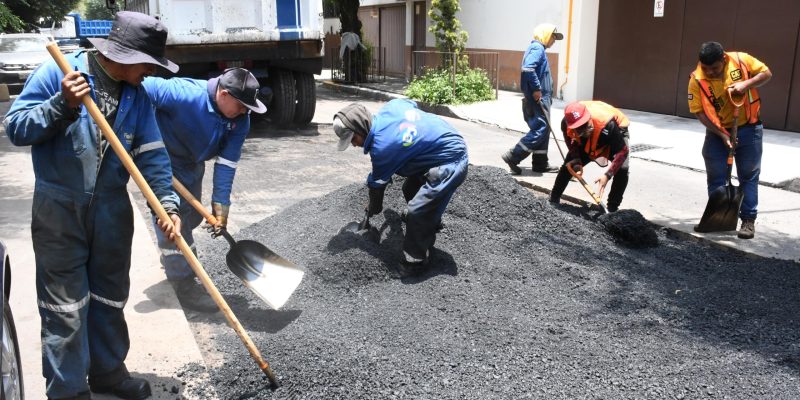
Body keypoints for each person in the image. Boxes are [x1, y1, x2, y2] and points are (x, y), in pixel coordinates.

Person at [3, 11, 181, 400]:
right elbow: (16, 128)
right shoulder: (59, 73)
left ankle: (108, 373)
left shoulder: (138, 96)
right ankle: (67, 390)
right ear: (127, 56)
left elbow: (152, 155)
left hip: (111, 212)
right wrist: (61, 104)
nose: (150, 72)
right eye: (148, 64)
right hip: (59, 209)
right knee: (64, 306)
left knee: (109, 297)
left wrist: (167, 206)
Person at [142, 68, 267, 312]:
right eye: (241, 105)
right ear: (223, 93)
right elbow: (141, 86)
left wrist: (220, 209)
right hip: (161, 162)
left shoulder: (241, 120)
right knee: (174, 222)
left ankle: (177, 258)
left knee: (193, 217)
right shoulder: (183, 93)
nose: (244, 112)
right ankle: (184, 282)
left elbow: (227, 165)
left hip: (191, 164)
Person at [333, 99, 469, 274]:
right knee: (409, 189)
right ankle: (430, 223)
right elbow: (411, 104)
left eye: (353, 139)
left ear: (360, 128)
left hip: (451, 159)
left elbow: (377, 187)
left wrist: (373, 209)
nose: (353, 144)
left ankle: (417, 260)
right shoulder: (392, 106)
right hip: (438, 146)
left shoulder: (382, 149)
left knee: (416, 212)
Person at [688, 41, 771, 239]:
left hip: (749, 129)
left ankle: (748, 221)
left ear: (723, 59)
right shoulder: (696, 79)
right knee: (716, 177)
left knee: (748, 176)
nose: (709, 72)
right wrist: (722, 134)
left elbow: (766, 73)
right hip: (718, 132)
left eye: (714, 68)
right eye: (705, 68)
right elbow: (698, 112)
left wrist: (746, 84)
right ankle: (718, 219)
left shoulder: (741, 60)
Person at [501, 23, 563, 175]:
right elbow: (528, 68)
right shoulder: (537, 48)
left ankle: (540, 163)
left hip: (542, 97)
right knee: (541, 129)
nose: (554, 41)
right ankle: (513, 156)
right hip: (538, 97)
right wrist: (536, 89)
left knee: (544, 129)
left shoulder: (539, 49)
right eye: (553, 37)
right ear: (546, 35)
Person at [549, 101, 631, 212]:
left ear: (588, 118)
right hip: (594, 131)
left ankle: (612, 209)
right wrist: (576, 158)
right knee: (570, 164)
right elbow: (569, 139)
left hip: (614, 130)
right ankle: (553, 199)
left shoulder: (608, 124)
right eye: (579, 128)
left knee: (622, 169)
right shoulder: (566, 123)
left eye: (585, 125)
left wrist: (607, 175)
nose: (584, 130)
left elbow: (623, 152)